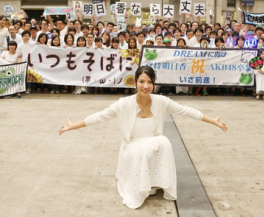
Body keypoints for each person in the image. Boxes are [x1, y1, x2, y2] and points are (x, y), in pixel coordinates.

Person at [59, 66, 227, 209]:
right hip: (132, 145)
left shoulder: (161, 101)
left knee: (164, 141)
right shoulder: (124, 103)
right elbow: (100, 116)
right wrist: (72, 126)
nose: (146, 86)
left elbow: (186, 110)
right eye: (142, 81)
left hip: (152, 143)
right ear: (135, 82)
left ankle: (155, 181)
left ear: (154, 84)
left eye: (150, 82)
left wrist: (212, 120)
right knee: (143, 150)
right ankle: (142, 186)